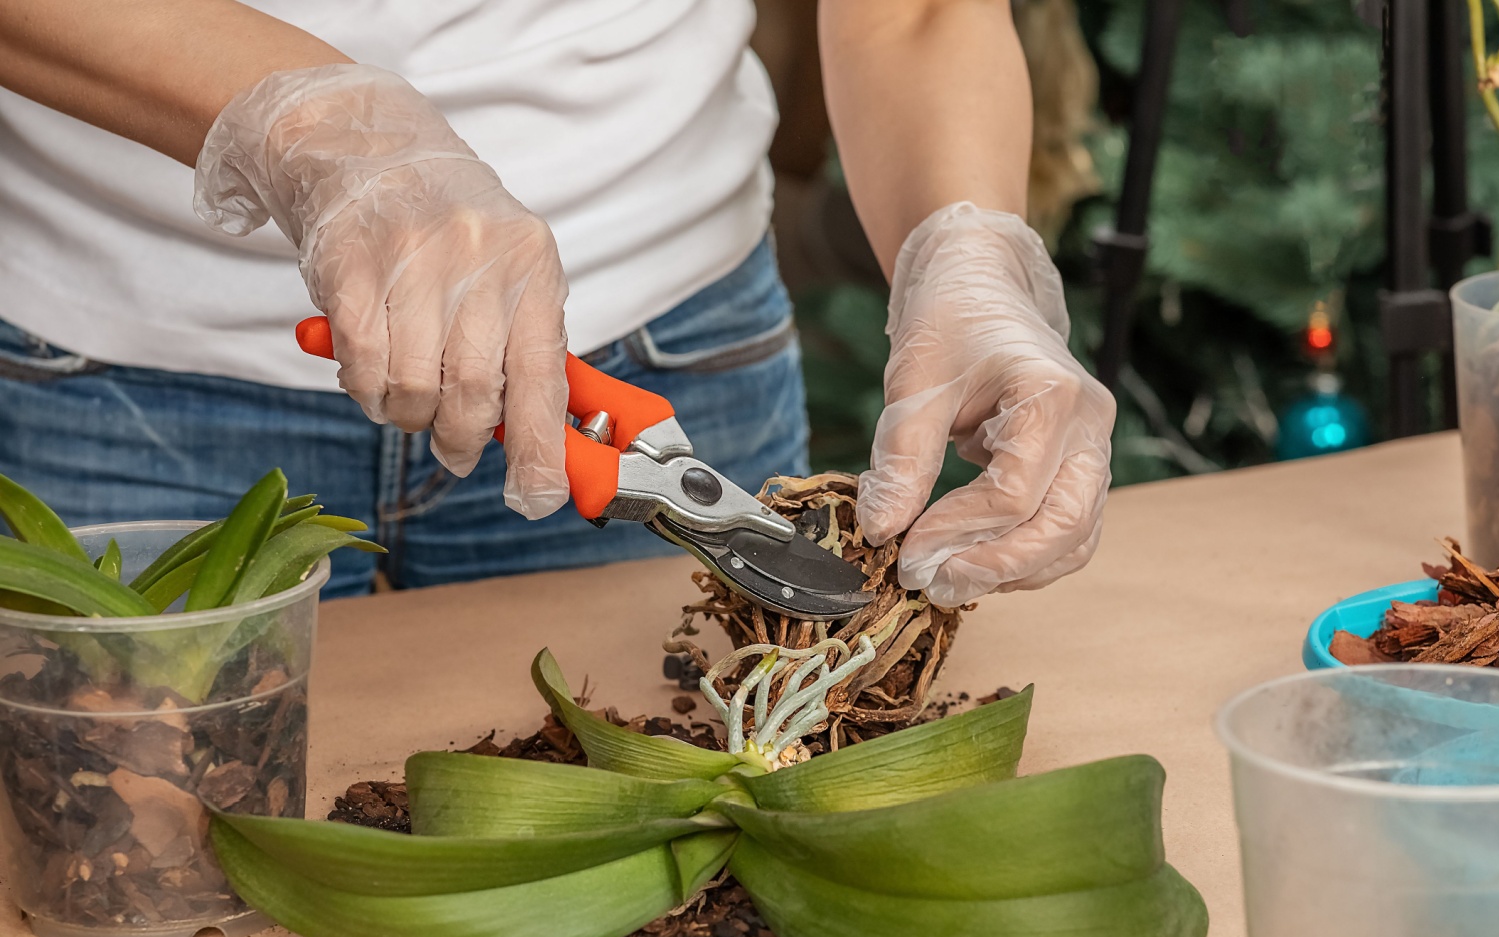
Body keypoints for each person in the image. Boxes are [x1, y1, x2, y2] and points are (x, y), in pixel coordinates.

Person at [0, 0, 1114, 607]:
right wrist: (314, 128)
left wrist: (964, 247)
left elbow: (910, 14)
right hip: (117, 358)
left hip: (666, 331)